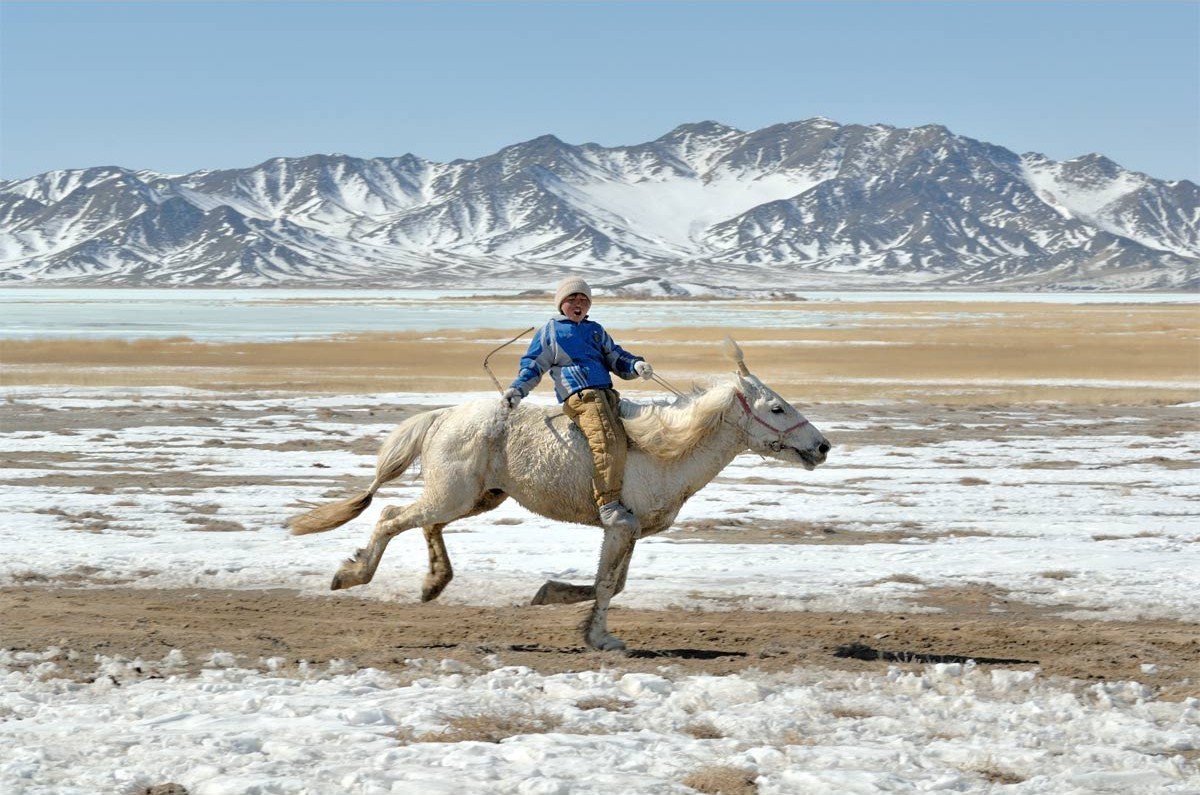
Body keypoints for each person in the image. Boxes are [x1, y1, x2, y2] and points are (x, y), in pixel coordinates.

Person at [503, 276, 653, 534]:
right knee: (607, 440)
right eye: (572, 299)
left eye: (583, 299)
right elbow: (534, 365)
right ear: (561, 303)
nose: (578, 303)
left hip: (607, 394)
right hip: (581, 396)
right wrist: (518, 389)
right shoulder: (550, 331)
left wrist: (635, 365)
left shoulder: (595, 330)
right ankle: (609, 505)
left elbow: (615, 357)